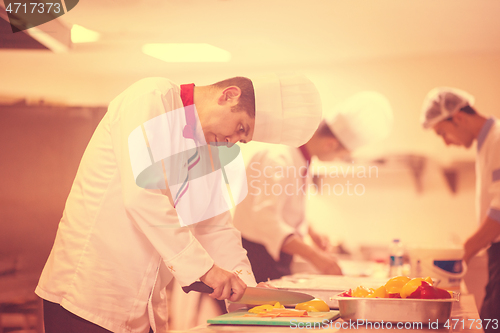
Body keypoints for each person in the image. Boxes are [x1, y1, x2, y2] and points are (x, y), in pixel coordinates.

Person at [35, 73, 323, 333]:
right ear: (229, 94)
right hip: (86, 299)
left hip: (143, 309)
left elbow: (215, 228)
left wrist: (246, 290)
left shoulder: (212, 152)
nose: (232, 141)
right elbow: (142, 196)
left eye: (242, 138)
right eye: (239, 127)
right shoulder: (152, 99)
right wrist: (207, 270)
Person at [233, 91, 393, 283]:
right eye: (342, 155)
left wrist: (310, 230)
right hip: (254, 257)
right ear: (330, 144)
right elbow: (266, 219)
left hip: (274, 256)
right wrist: (315, 256)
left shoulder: (302, 159)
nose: (338, 159)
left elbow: (286, 207)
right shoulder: (278, 158)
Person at [420, 87, 500, 333]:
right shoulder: (488, 142)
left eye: (443, 132)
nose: (445, 142)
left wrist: (459, 256)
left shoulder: (498, 139)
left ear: (458, 117)